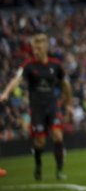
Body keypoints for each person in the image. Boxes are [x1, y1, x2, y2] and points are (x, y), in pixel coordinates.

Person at [0, 33, 73, 180]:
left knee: (58, 136)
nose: (35, 51)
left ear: (45, 47)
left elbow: (65, 84)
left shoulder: (55, 64)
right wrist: (6, 93)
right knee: (40, 142)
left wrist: (69, 104)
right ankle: (38, 166)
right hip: (37, 108)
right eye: (34, 48)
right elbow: (17, 80)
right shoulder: (28, 65)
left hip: (52, 106)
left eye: (38, 47)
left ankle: (59, 170)